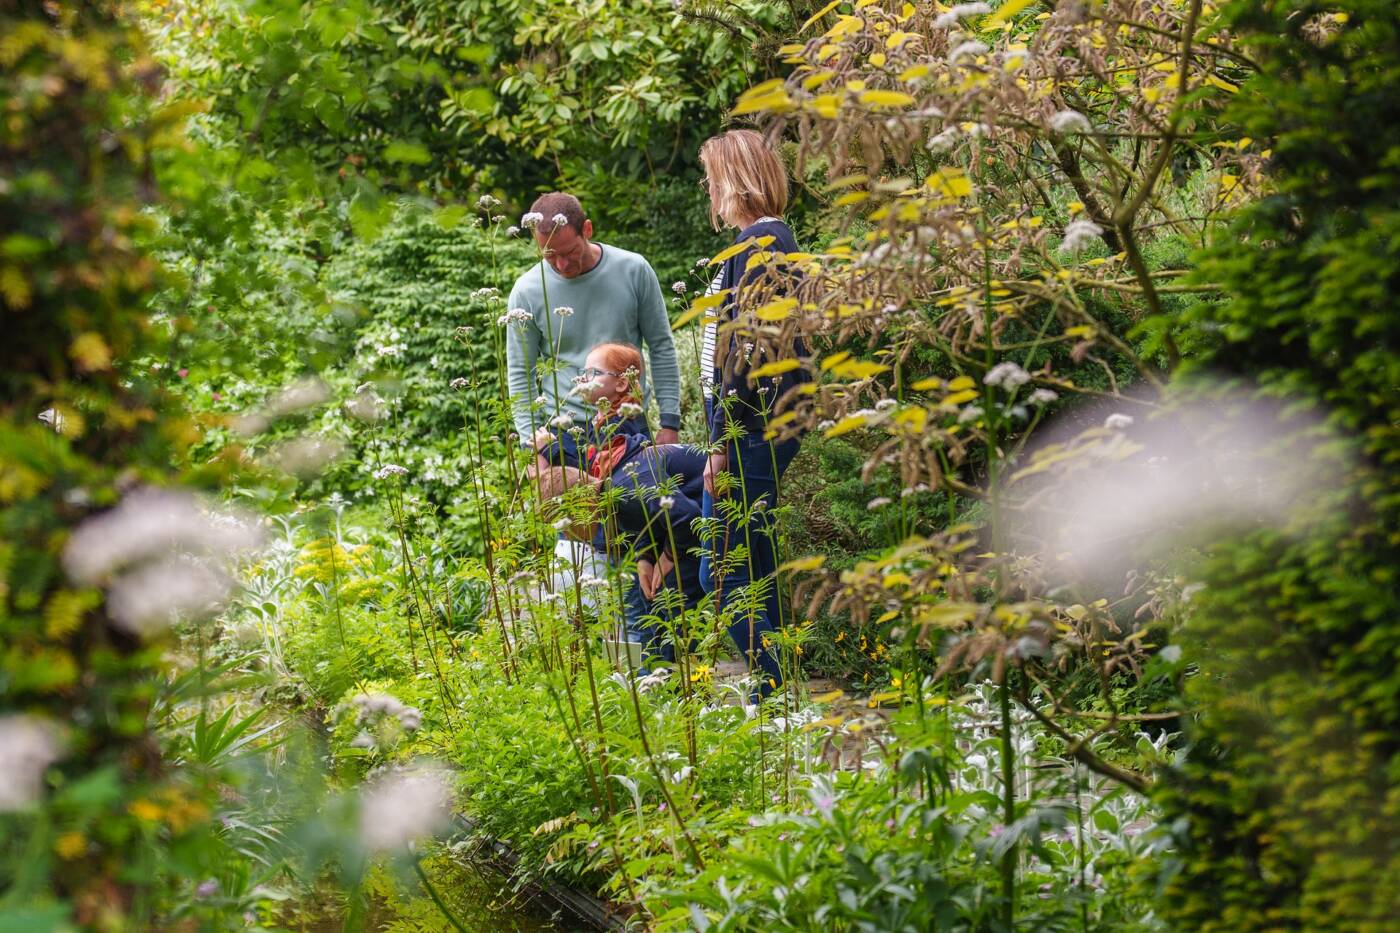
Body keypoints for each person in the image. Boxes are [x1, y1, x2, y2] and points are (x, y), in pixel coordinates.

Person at [695, 128, 811, 699]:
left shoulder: (759, 245)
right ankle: (779, 700)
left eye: (712, 176)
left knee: (720, 567)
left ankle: (773, 689)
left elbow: (745, 353)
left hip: (752, 428)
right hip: (768, 425)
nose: (708, 188)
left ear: (733, 179)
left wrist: (720, 442)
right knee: (755, 561)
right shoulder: (768, 241)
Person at [505, 193, 681, 448]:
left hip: (628, 425)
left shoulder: (634, 270)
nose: (562, 265)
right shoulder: (527, 291)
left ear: (587, 229)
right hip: (564, 432)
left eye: (570, 251)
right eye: (550, 255)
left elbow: (661, 346)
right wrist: (531, 442)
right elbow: (522, 371)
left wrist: (669, 422)